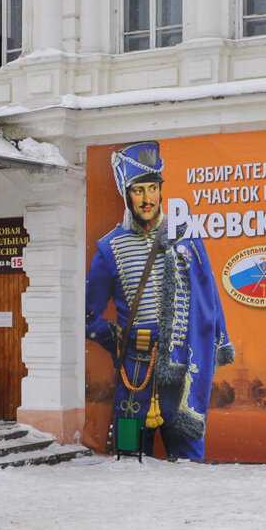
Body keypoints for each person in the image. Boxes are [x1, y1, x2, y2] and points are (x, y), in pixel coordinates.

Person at [85, 140, 234, 460]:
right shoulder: (109, 248)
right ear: (126, 194)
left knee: (189, 461)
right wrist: (120, 338)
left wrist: (215, 340)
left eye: (153, 188)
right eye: (139, 190)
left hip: (181, 374)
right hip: (133, 379)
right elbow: (86, 318)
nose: (148, 198)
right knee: (128, 456)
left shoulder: (186, 236)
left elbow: (209, 296)